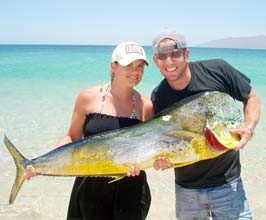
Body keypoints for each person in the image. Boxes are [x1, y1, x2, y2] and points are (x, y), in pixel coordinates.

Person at [25, 41, 154, 220]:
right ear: (114, 66)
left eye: (140, 66)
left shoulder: (145, 106)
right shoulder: (88, 97)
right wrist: (42, 161)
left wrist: (146, 163)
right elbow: (72, 137)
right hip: (90, 189)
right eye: (129, 65)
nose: (135, 72)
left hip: (131, 192)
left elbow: (148, 149)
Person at [151, 28, 261, 220]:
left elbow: (250, 96)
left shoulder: (218, 70)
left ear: (187, 53)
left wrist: (249, 128)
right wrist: (162, 160)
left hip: (228, 183)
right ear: (155, 60)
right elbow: (164, 142)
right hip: (187, 190)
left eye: (175, 54)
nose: (169, 62)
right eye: (162, 56)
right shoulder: (159, 96)